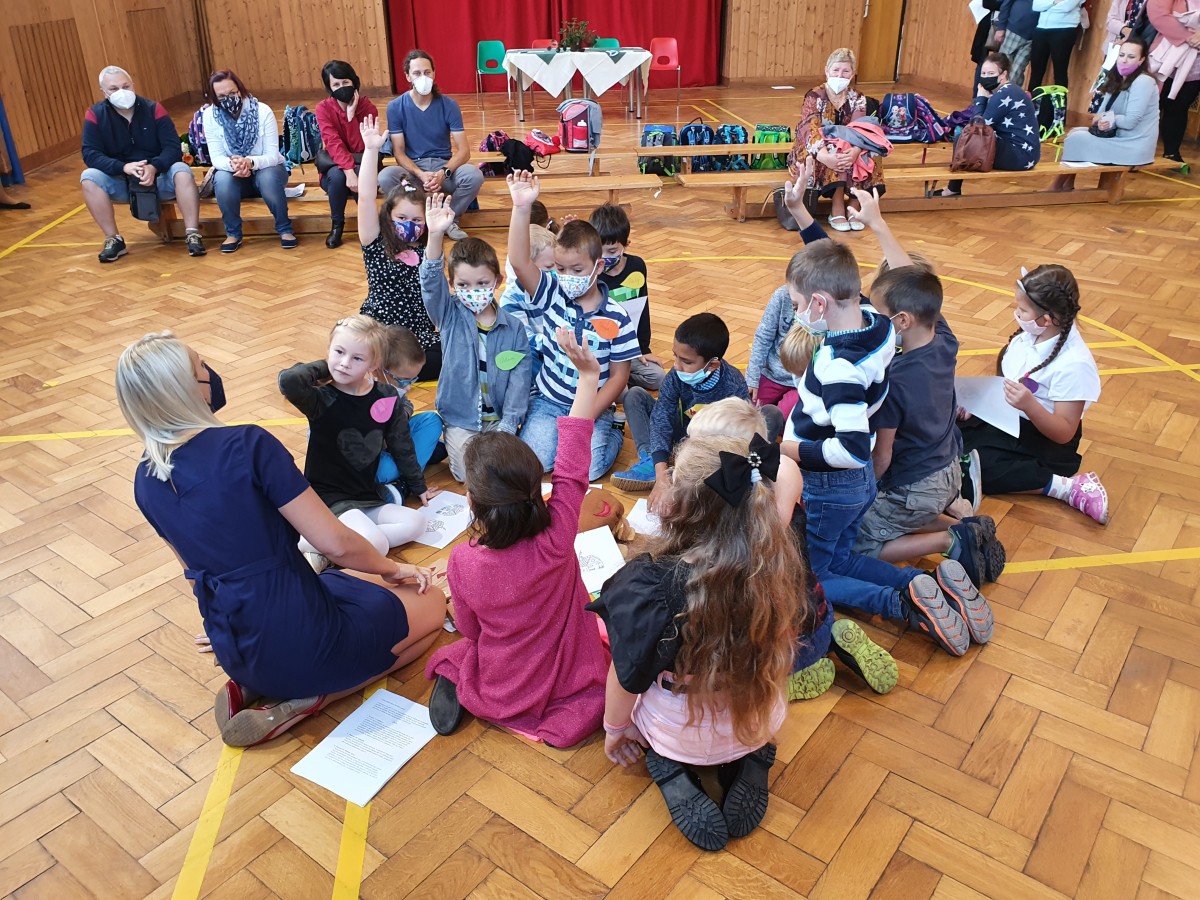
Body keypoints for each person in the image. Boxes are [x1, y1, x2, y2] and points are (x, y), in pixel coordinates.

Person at [118, 331, 445, 747]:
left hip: (236, 643)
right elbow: (336, 543)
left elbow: (192, 572)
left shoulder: (144, 480)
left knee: (359, 583)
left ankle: (256, 685)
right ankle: (313, 698)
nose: (210, 372)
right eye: (201, 366)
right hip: (305, 634)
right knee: (433, 605)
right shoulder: (246, 445)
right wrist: (395, 568)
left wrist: (221, 630)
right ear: (184, 387)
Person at [777, 206, 990, 658]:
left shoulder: (838, 367)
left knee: (817, 573)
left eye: (797, 305)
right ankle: (918, 582)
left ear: (819, 304)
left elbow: (852, 449)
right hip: (858, 487)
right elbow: (847, 281)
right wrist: (804, 217)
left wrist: (787, 449)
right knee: (844, 557)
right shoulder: (877, 325)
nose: (796, 314)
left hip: (833, 485)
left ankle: (901, 604)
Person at [588, 432, 803, 851]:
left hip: (678, 731)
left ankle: (671, 766)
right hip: (757, 718)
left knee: (638, 687)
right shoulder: (776, 564)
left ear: (680, 507)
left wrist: (615, 729)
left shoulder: (650, 585)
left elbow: (626, 676)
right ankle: (752, 755)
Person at [425, 329, 609, 743]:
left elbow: (470, 630)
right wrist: (587, 378)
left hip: (504, 677)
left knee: (462, 653)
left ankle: (462, 684)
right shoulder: (556, 536)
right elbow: (572, 465)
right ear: (535, 487)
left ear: (471, 502)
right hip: (566, 669)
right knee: (594, 692)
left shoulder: (463, 561)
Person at [688, 399, 900, 700]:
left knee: (744, 685)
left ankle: (803, 672)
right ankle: (831, 639)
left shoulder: (740, 521)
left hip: (791, 643)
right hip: (819, 613)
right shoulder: (777, 475)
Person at [854, 266, 1006, 594]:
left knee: (856, 545)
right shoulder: (945, 341)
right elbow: (919, 287)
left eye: (879, 315)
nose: (874, 321)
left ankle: (949, 541)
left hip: (917, 487)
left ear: (902, 321)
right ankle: (967, 527)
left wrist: (863, 493)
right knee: (896, 514)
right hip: (949, 472)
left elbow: (882, 457)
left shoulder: (895, 381)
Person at [506, 171, 640, 481]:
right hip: (549, 400)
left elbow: (619, 377)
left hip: (593, 406)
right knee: (535, 465)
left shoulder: (617, 316)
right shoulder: (551, 292)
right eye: (561, 268)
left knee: (588, 471)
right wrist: (521, 207)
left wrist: (585, 417)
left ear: (598, 266)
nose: (567, 277)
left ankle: (614, 428)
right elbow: (519, 261)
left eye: (577, 269)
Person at [278, 315, 436, 574]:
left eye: (357, 358)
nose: (345, 363)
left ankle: (326, 546)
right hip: (328, 498)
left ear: (374, 364)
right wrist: (328, 366)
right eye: (339, 352)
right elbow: (289, 381)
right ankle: (314, 541)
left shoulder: (386, 396)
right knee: (377, 543)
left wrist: (420, 487)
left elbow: (401, 445)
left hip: (366, 495)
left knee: (417, 522)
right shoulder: (321, 398)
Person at [959, 265, 1109, 523]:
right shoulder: (1029, 335)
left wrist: (1030, 405)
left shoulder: (1074, 364)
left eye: (1023, 310)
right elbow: (1005, 379)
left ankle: (1064, 487)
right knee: (948, 436)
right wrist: (979, 405)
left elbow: (1064, 432)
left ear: (1046, 319)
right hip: (1009, 417)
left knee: (980, 465)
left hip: (1045, 440)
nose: (1017, 314)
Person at [420, 195, 532, 482]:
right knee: (467, 476)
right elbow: (430, 283)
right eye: (463, 284)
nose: (474, 290)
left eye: (482, 283)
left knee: (505, 472)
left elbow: (520, 381)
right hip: (461, 419)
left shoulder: (514, 328)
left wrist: (510, 423)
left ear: (498, 281)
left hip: (500, 420)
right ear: (452, 285)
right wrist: (435, 234)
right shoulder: (448, 314)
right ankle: (448, 445)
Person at [610, 313, 783, 500]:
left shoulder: (733, 383)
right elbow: (662, 418)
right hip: (683, 434)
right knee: (635, 395)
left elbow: (741, 432)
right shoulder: (675, 376)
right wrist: (661, 476)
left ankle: (734, 471)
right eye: (675, 356)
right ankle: (652, 461)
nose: (677, 366)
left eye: (687, 361)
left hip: (715, 447)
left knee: (771, 414)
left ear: (712, 365)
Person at [80, 65, 205, 262]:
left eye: (126, 86)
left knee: (181, 170)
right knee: (88, 177)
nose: (121, 92)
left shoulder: (154, 109)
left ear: (133, 85)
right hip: (122, 181)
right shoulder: (95, 114)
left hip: (160, 178)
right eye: (114, 89)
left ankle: (192, 233)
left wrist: (154, 167)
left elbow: (172, 147)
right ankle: (113, 239)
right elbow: (90, 153)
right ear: (103, 92)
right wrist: (123, 167)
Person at [356, 115, 443, 381]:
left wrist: (437, 230)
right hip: (381, 334)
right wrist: (371, 150)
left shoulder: (427, 251)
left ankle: (396, 372)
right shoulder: (375, 243)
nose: (409, 224)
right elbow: (366, 197)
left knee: (455, 354)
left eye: (416, 220)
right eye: (402, 218)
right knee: (356, 350)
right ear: (389, 217)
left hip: (417, 340)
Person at [378, 50, 484, 240]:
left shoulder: (449, 105)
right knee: (385, 176)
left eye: (427, 72)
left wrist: (443, 173)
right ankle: (418, 217)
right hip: (414, 170)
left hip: (442, 166)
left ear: (434, 73)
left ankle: (449, 218)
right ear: (408, 76)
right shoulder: (395, 107)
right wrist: (420, 174)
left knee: (473, 175)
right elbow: (399, 152)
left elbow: (464, 151)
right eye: (417, 73)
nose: (423, 77)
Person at [787, 48, 884, 233]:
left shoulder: (858, 98)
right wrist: (825, 156)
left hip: (848, 147)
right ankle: (837, 205)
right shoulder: (814, 96)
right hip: (815, 149)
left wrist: (855, 151)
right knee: (835, 150)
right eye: (836, 70)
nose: (840, 75)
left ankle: (855, 203)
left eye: (845, 71)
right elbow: (810, 130)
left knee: (870, 152)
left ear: (852, 74)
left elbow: (859, 130)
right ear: (827, 70)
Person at [203, 69, 295, 253]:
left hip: (268, 170)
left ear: (240, 90)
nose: (228, 99)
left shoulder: (262, 111)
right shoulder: (209, 116)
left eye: (232, 93)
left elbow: (272, 155)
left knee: (267, 178)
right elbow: (216, 157)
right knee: (222, 179)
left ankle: (285, 229)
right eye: (222, 97)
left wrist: (249, 162)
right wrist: (234, 164)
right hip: (236, 174)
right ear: (214, 98)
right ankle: (233, 234)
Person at [1049, 37, 1160, 189]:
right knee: (1075, 132)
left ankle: (1057, 186)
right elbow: (1099, 115)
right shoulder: (1116, 78)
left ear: (1141, 60)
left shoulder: (1143, 82)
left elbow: (1130, 122)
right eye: (1122, 55)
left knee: (1078, 138)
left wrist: (1108, 119)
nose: (1124, 60)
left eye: (1131, 57)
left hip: (1133, 143)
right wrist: (1100, 121)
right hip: (1118, 136)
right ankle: (1066, 184)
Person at [941, 53, 1041, 196]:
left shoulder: (1004, 94)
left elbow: (976, 127)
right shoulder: (1009, 90)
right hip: (1026, 153)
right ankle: (953, 189)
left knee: (962, 136)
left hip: (1020, 156)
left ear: (1003, 75)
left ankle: (952, 189)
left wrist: (981, 98)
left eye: (991, 73)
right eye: (983, 73)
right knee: (964, 135)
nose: (986, 77)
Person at [591, 203, 664, 391]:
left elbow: (642, 310)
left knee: (658, 377)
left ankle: (619, 378)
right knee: (619, 392)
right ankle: (617, 381)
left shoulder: (637, 266)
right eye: (599, 251)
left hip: (629, 348)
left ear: (626, 244)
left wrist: (643, 350)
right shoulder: (591, 273)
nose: (604, 257)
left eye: (612, 251)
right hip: (601, 350)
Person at [315, 60, 379, 249]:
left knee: (360, 173)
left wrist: (350, 118)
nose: (341, 87)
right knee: (337, 175)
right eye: (336, 84)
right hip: (336, 169)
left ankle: (368, 226)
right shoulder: (323, 109)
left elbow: (362, 148)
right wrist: (349, 172)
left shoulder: (367, 108)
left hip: (363, 164)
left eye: (345, 82)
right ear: (329, 88)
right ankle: (337, 225)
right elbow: (333, 143)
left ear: (354, 82)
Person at [1148, 0, 1200, 164]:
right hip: (1166, 56)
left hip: (1195, 64)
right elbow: (1158, 15)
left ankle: (1171, 153)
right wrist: (1189, 37)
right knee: (1152, 104)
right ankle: (1138, 151)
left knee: (1180, 106)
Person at [1028, 0, 1087, 90]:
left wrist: (1047, 6)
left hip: (1064, 29)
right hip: (1041, 29)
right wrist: (1055, 1)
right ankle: (1031, 98)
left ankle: (1060, 99)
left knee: (1060, 72)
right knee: (1036, 72)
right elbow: (1036, 6)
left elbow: (1066, 7)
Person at [994, 0, 1039, 87]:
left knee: (1017, 72)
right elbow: (1006, 4)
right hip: (1013, 30)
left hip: (1033, 38)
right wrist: (1001, 27)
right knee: (1002, 67)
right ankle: (995, 94)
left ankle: (1011, 94)